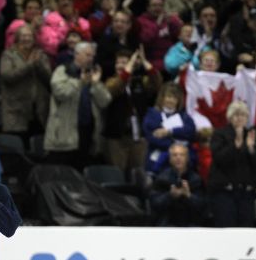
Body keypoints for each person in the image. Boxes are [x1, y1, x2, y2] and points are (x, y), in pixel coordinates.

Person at [44, 42, 111, 169]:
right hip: (65, 132)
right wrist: (80, 82)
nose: (90, 58)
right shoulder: (63, 70)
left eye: (92, 56)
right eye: (87, 55)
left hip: (87, 132)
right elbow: (60, 93)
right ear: (77, 54)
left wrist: (96, 84)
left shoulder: (92, 74)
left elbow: (105, 101)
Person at [208, 100, 256, 227]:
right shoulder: (220, 134)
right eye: (236, 114)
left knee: (246, 231)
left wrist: (252, 150)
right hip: (225, 193)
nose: (240, 118)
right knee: (227, 230)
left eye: (243, 115)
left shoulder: (251, 135)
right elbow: (219, 158)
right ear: (230, 117)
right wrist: (236, 144)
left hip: (246, 194)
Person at [103, 47, 162, 175]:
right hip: (117, 137)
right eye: (118, 63)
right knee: (117, 174)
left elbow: (156, 83)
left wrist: (144, 61)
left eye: (124, 62)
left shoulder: (139, 82)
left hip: (138, 136)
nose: (120, 66)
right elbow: (116, 87)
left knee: (138, 174)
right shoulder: (110, 82)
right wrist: (128, 67)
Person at [0, 24, 51, 140]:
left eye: (29, 36)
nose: (26, 39)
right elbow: (7, 76)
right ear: (17, 38)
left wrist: (39, 65)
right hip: (16, 110)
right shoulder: (8, 55)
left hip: (38, 110)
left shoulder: (40, 55)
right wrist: (29, 65)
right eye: (23, 36)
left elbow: (49, 79)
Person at [142, 82, 196, 175]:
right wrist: (174, 146)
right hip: (159, 153)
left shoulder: (184, 116)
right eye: (168, 97)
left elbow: (190, 131)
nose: (171, 100)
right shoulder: (153, 114)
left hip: (181, 156)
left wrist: (169, 132)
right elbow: (153, 137)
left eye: (174, 98)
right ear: (162, 98)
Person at [150, 142, 206, 226]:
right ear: (170, 159)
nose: (178, 158)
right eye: (175, 155)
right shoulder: (161, 178)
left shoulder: (196, 179)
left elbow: (203, 206)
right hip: (168, 222)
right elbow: (155, 204)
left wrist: (189, 195)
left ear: (187, 158)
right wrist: (170, 195)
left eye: (182, 155)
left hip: (191, 222)